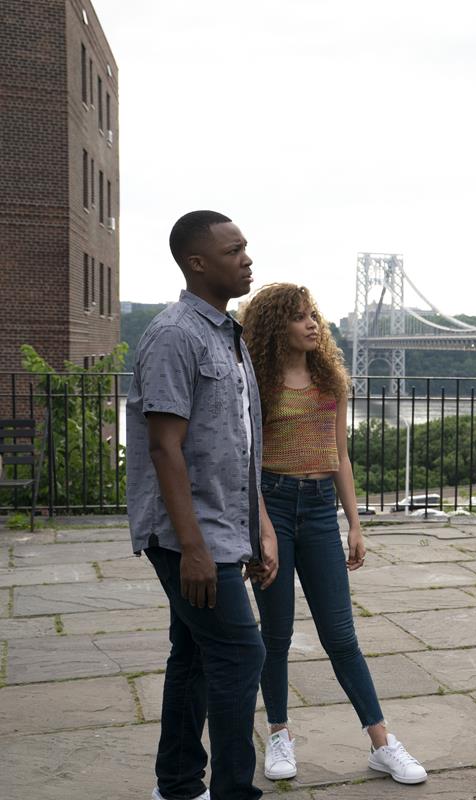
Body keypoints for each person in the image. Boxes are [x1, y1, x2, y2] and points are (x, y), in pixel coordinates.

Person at [238, 283, 427, 785]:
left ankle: (382, 743)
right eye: (299, 317)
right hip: (272, 506)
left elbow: (340, 455)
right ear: (277, 325)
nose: (312, 324)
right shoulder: (256, 381)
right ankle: (279, 732)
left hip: (321, 510)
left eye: (313, 315)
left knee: (341, 636)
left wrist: (355, 524)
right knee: (274, 636)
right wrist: (260, 525)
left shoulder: (330, 381)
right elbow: (248, 459)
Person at [126, 210, 279, 800]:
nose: (247, 258)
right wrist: (193, 548)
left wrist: (259, 527)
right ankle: (234, 791)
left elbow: (241, 445)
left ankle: (179, 784)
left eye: (246, 247)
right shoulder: (174, 335)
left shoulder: (228, 334)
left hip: (223, 527)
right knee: (242, 653)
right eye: (234, 250)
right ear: (197, 262)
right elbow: (166, 449)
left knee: (193, 654)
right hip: (187, 536)